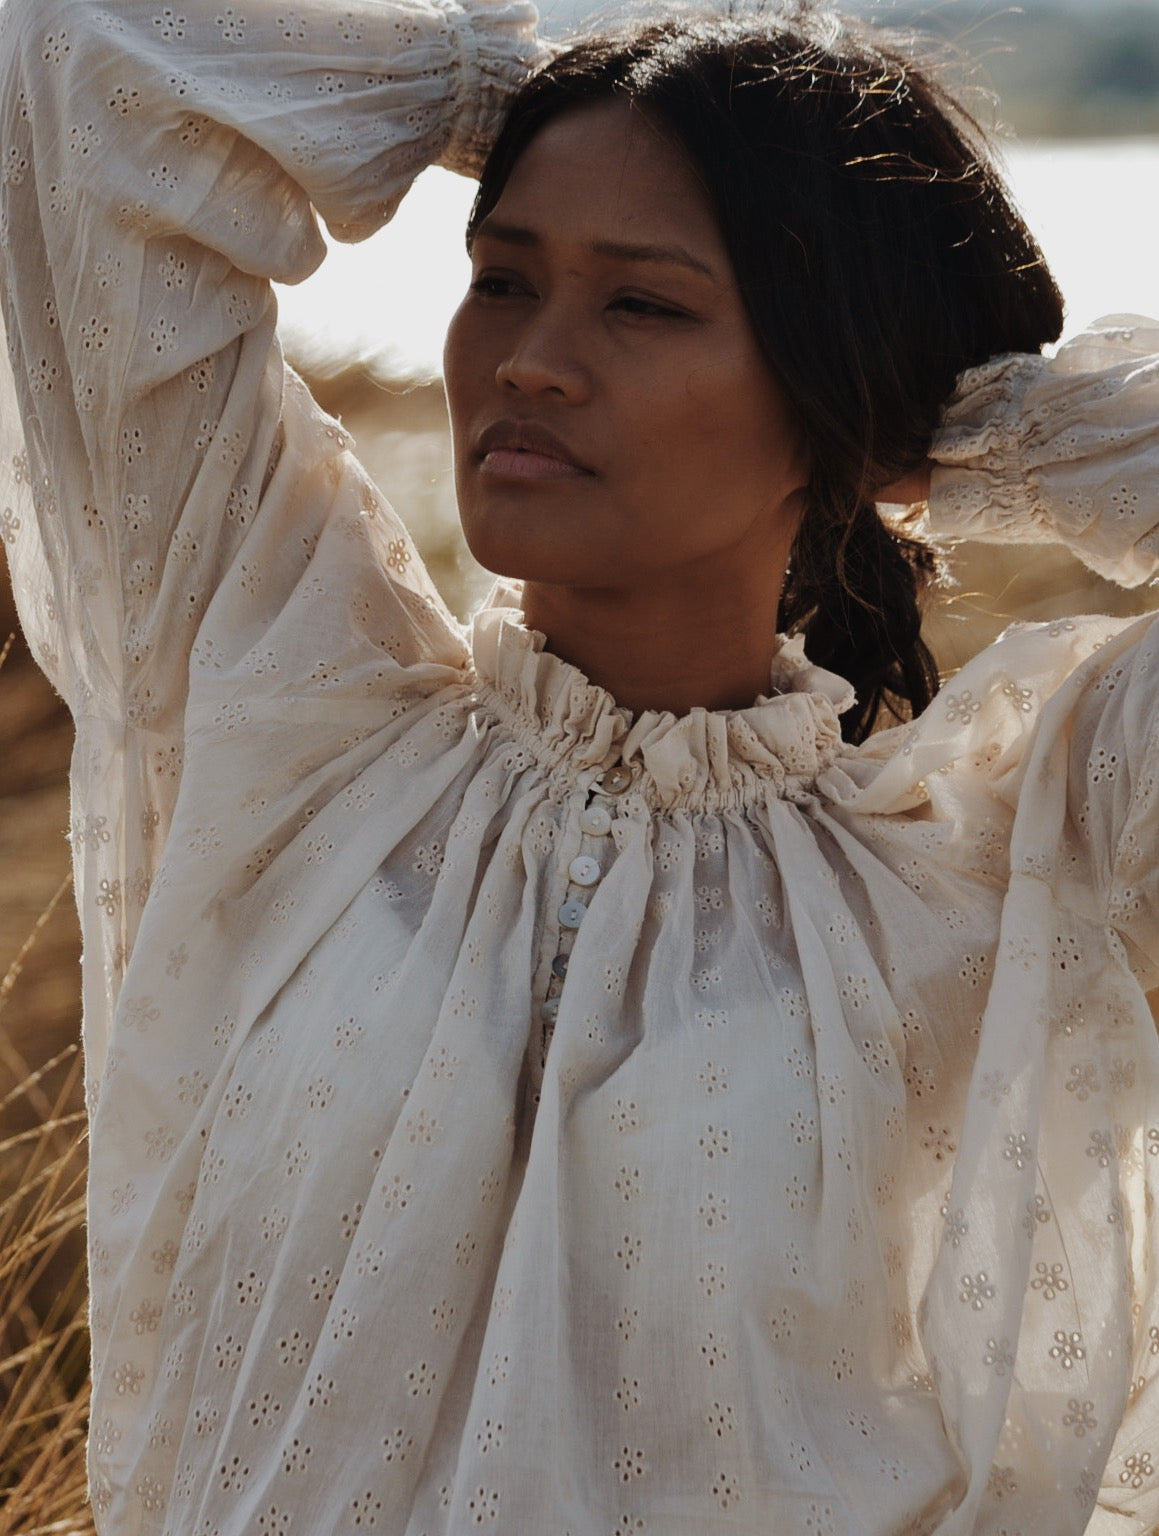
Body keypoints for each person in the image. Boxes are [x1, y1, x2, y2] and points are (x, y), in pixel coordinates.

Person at [0, 0, 1157, 1531]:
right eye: (502, 278)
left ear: (827, 387)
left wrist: (967, 427)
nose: (530, 363)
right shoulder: (272, 684)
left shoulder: (991, 868)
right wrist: (522, 93)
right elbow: (83, 60)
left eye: (644, 307)